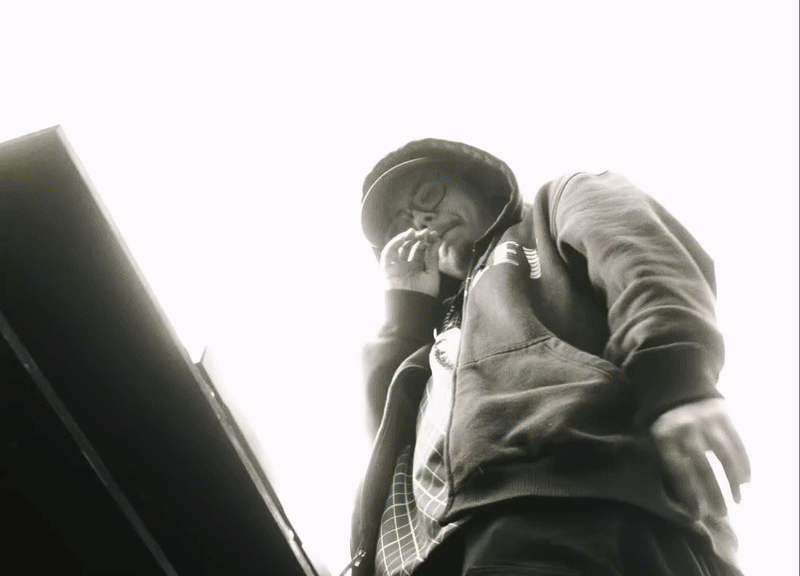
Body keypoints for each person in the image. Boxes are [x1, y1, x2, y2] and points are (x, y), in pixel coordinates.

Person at [346, 138, 750, 576]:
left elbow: (640, 258)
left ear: (474, 184)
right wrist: (406, 313)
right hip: (432, 554)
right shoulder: (433, 338)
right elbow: (385, 441)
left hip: (572, 503)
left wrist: (676, 380)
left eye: (427, 194)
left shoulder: (551, 209)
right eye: (399, 223)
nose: (418, 219)